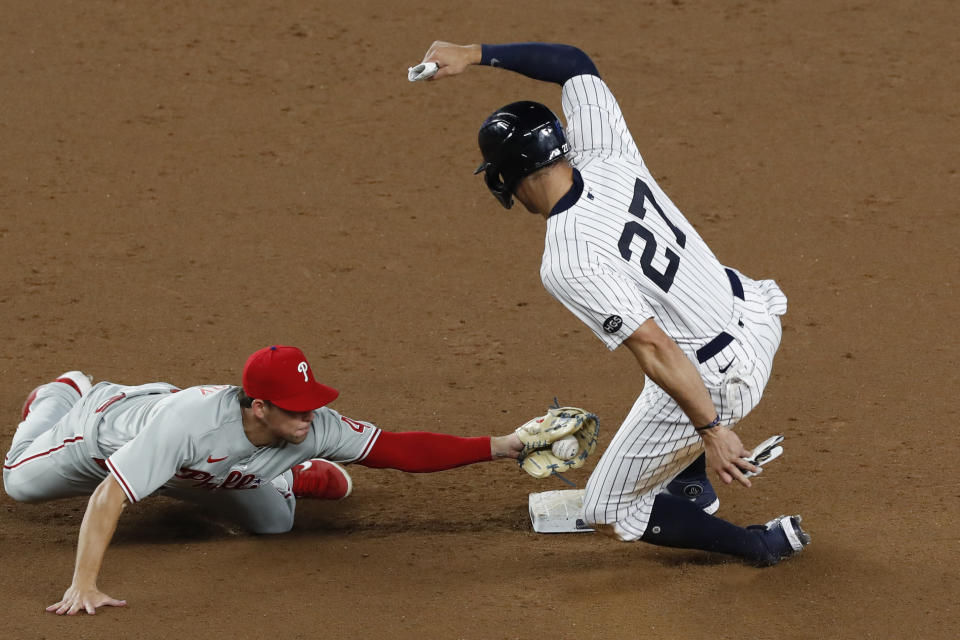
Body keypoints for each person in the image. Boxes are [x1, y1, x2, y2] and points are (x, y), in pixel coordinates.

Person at [418, 41, 809, 566]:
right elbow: (575, 64)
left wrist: (713, 431)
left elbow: (655, 347)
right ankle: (691, 481)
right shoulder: (604, 150)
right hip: (756, 310)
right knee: (663, 347)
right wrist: (474, 52)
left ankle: (757, 544)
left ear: (507, 178)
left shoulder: (567, 259)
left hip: (722, 378)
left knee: (608, 509)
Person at [3, 345, 523, 615]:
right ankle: (62, 393)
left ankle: (289, 479)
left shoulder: (310, 425)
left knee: (275, 525)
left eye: (311, 404)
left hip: (195, 469)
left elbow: (399, 449)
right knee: (17, 483)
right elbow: (110, 492)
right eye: (296, 410)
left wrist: (499, 446)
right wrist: (84, 583)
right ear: (259, 407)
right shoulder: (190, 423)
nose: (309, 417)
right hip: (103, 436)